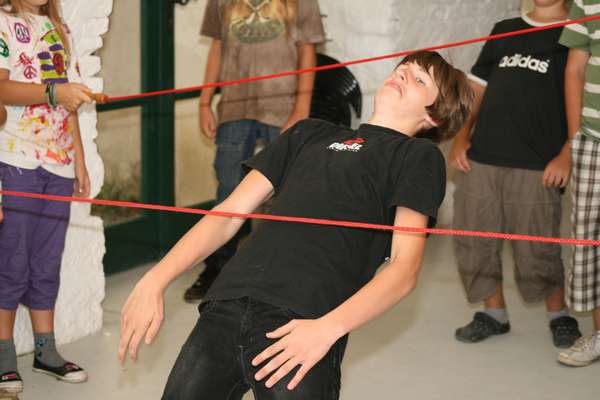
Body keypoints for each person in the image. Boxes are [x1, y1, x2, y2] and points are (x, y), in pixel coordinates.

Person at [119, 50, 473, 400]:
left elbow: (403, 269)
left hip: (303, 323)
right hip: (227, 304)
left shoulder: (417, 157)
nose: (403, 75)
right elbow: (229, 213)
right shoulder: (309, 132)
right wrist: (155, 279)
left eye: (419, 80)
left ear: (435, 116)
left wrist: (327, 329)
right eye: (403, 68)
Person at [449, 0, 582, 349]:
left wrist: (567, 152)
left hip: (538, 164)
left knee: (537, 248)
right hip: (482, 157)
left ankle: (559, 315)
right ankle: (494, 313)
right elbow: (477, 89)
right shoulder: (504, 30)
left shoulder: (576, 33)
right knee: (474, 239)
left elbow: (581, 97)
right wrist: (461, 136)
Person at [183, 0, 325, 303]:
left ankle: (278, 272)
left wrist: (301, 108)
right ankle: (217, 268)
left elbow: (308, 51)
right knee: (228, 191)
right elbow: (217, 47)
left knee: (284, 194)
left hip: (283, 108)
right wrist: (205, 101)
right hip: (234, 108)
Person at [0, 0, 93, 395]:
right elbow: (1, 87)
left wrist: (80, 161)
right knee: (11, 260)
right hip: (15, 159)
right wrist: (55, 92)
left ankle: (46, 350)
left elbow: (69, 103)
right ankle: (4, 356)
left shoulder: (60, 28)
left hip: (59, 165)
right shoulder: (3, 23)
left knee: (47, 261)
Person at [556, 0, 600, 367]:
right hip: (592, 141)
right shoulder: (587, 2)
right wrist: (575, 140)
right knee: (590, 242)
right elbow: (575, 69)